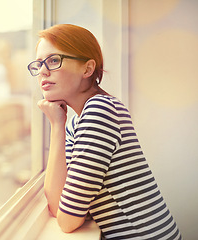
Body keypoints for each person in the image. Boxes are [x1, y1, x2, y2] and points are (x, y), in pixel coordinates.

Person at [27, 24, 181, 239]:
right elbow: (57, 205)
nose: (42, 71)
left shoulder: (101, 111)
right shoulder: (76, 123)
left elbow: (68, 220)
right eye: (39, 63)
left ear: (87, 69)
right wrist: (57, 125)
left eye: (53, 60)